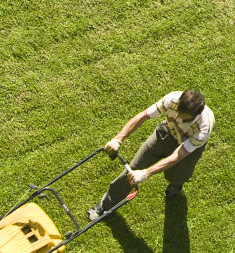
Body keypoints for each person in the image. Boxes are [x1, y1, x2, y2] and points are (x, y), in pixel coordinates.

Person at [88, 89, 214, 222]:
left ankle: (176, 185)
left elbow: (179, 154)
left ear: (195, 115)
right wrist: (118, 139)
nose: (178, 117)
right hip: (166, 133)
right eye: (178, 111)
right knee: (132, 169)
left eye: (183, 116)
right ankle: (105, 206)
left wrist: (147, 173)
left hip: (187, 147)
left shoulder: (204, 127)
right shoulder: (173, 99)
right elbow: (144, 116)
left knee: (176, 176)